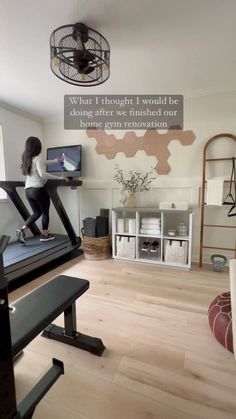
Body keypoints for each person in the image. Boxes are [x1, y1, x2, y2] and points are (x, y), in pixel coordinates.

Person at [16, 137, 69, 243]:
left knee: (36, 213)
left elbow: (42, 163)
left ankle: (23, 230)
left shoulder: (27, 158)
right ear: (37, 146)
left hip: (28, 191)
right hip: (38, 190)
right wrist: (60, 178)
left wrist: (55, 160)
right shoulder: (37, 158)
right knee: (45, 213)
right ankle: (45, 235)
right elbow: (42, 174)